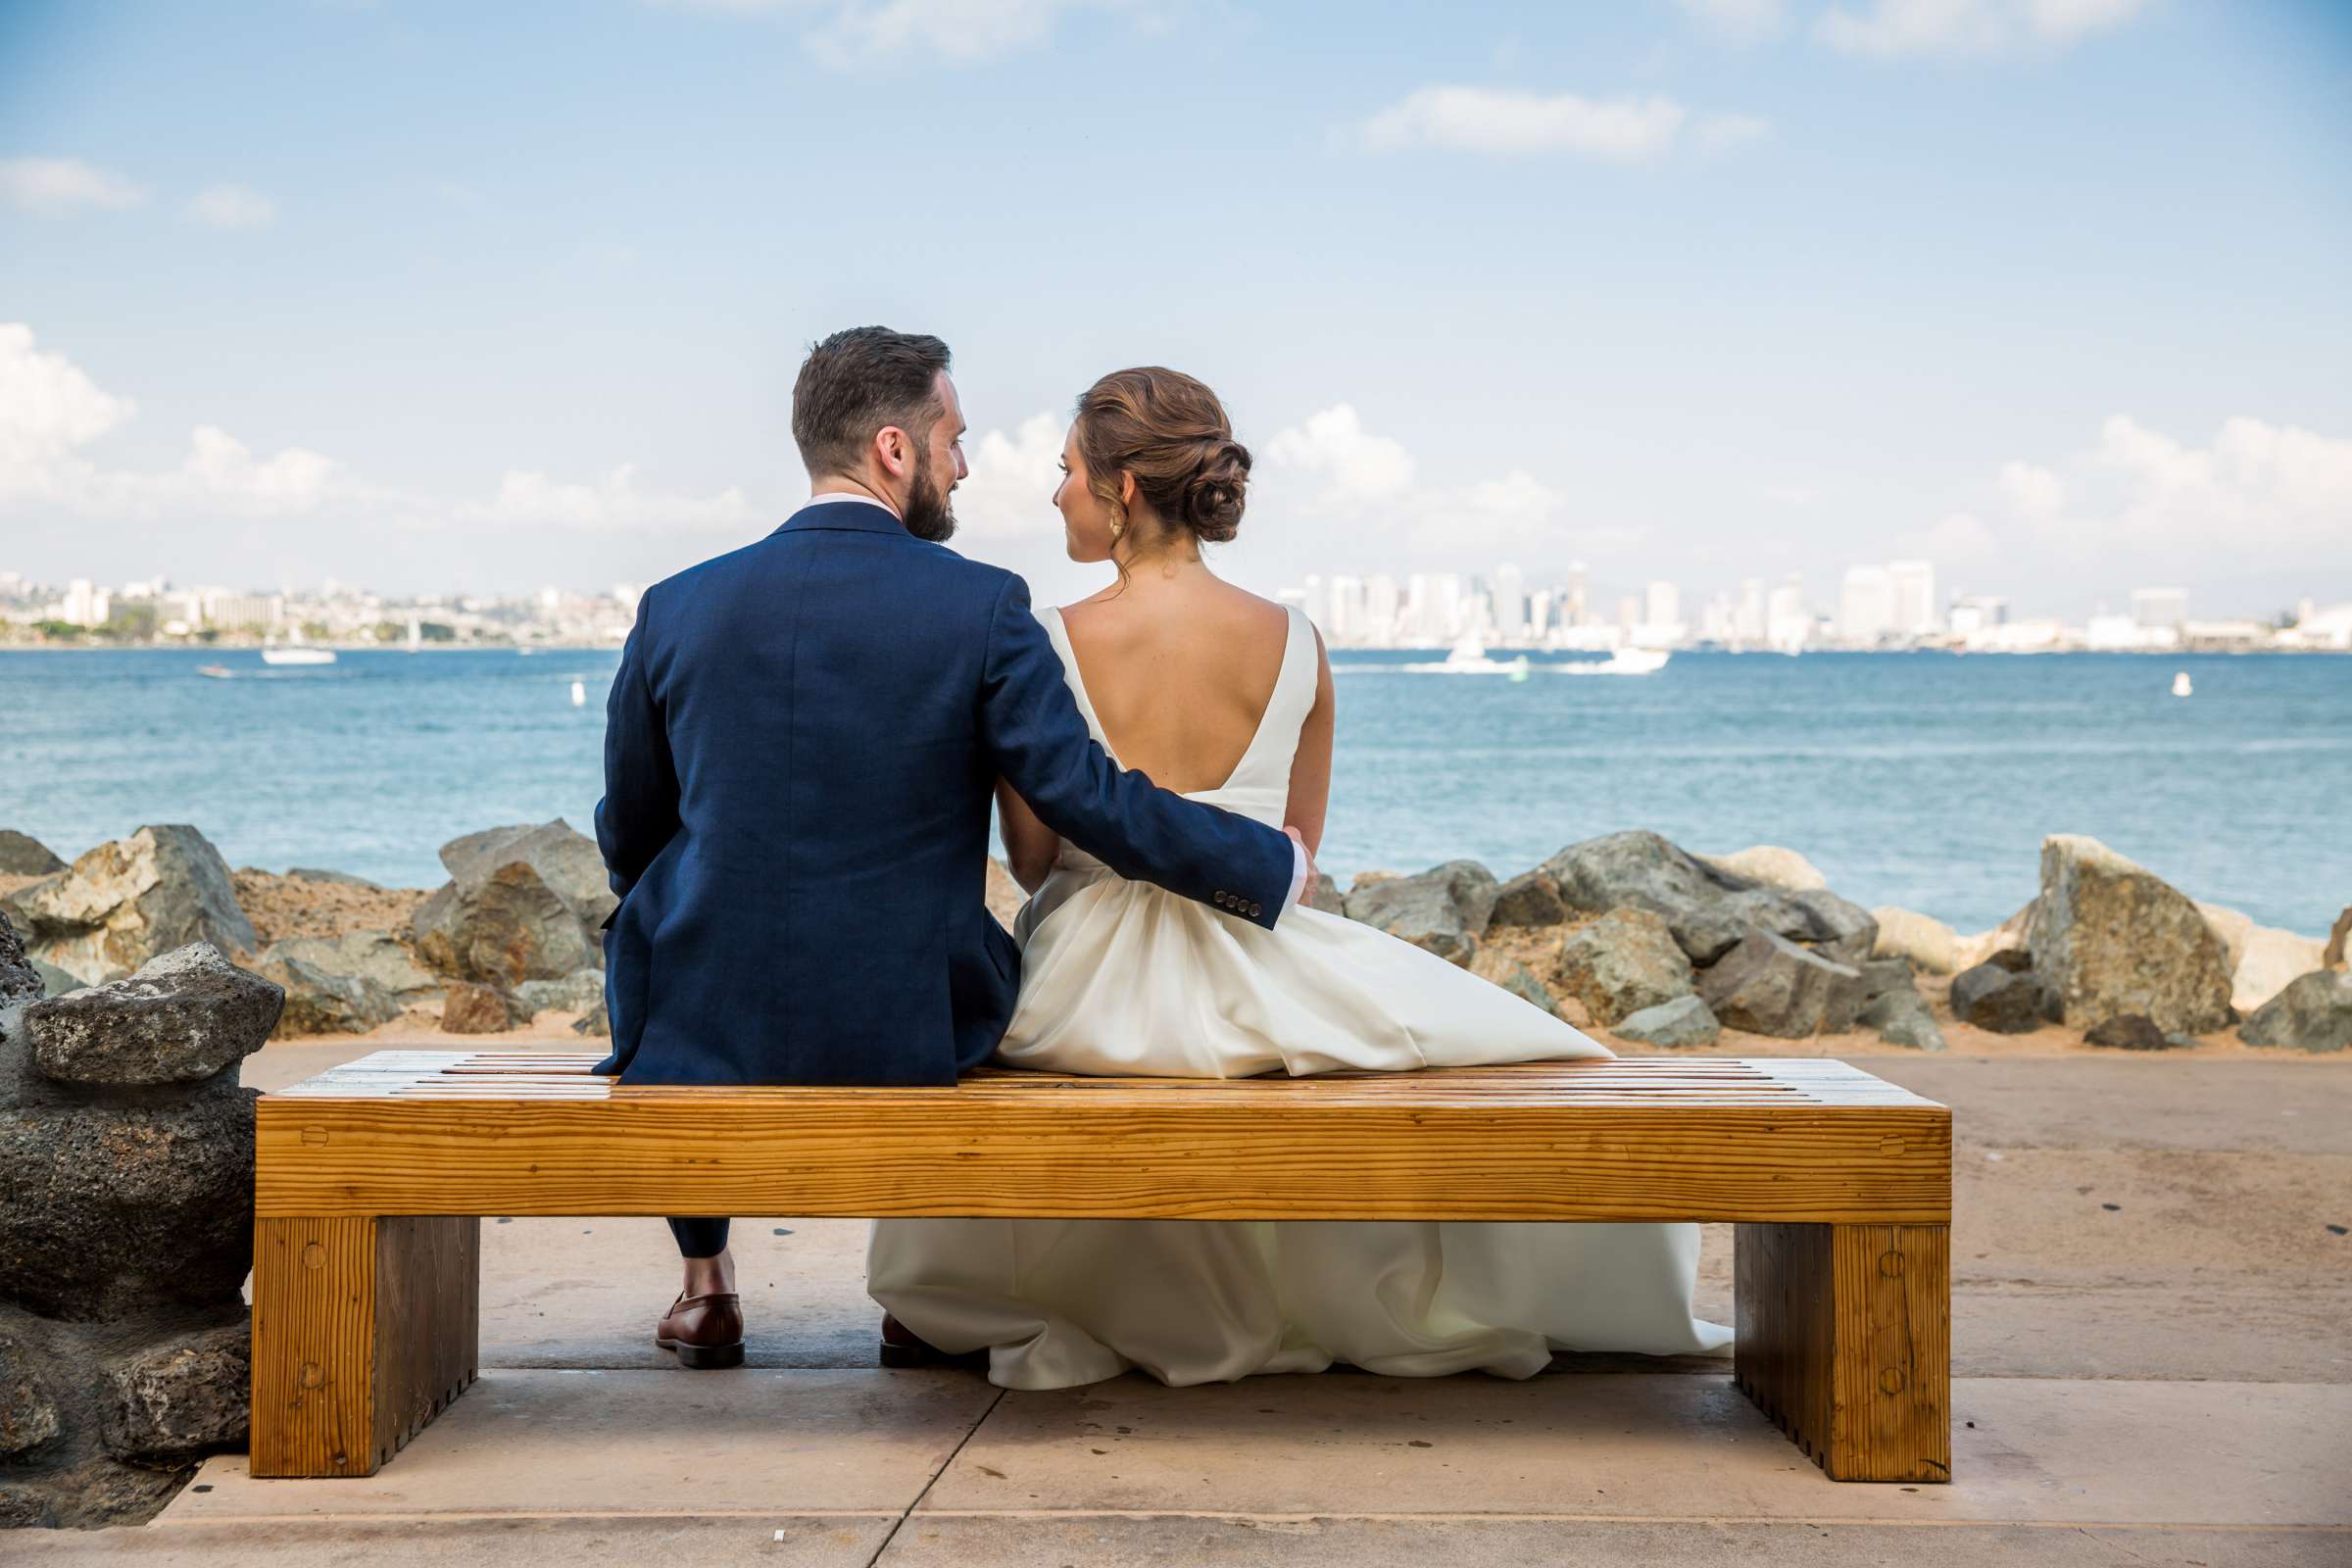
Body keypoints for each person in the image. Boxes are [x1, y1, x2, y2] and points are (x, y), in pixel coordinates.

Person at [866, 367, 1730, 1387]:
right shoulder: (1298, 643)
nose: (1054, 493)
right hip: (1253, 952)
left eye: (1065, 472)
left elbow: (1038, 858)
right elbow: (1298, 862)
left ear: (1123, 489)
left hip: (1085, 987)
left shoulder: (1043, 640)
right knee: (1497, 1045)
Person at [595, 329, 1317, 1369]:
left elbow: (631, 830)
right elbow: (1084, 798)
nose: (965, 464)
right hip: (913, 1014)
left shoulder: (676, 605)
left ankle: (707, 1282)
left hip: (703, 1016)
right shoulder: (979, 605)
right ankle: (938, 1294)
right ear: (896, 448)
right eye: (954, 438)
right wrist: (1264, 864)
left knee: (662, 924)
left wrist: (696, 911)